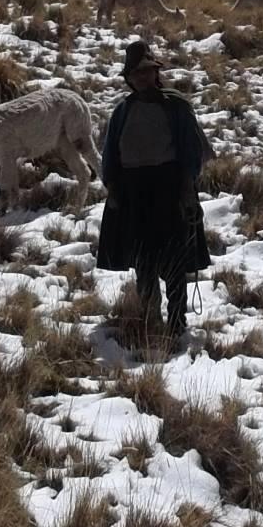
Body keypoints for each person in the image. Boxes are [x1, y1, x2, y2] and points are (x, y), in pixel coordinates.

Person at [98, 39, 211, 347]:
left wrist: (187, 187)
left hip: (168, 190)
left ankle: (176, 321)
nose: (143, 77)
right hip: (134, 194)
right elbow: (110, 154)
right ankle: (150, 316)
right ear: (129, 79)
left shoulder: (175, 106)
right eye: (137, 74)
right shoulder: (123, 111)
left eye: (147, 71)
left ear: (155, 72)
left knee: (173, 259)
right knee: (143, 261)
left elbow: (191, 151)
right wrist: (112, 186)